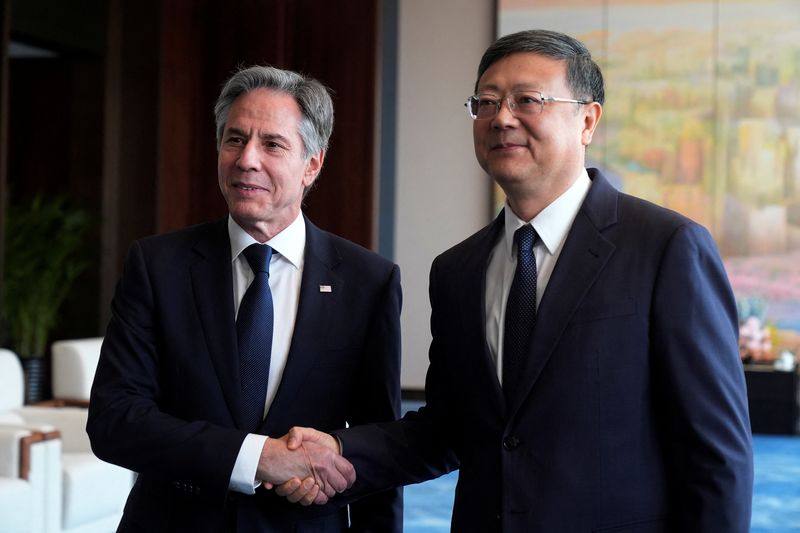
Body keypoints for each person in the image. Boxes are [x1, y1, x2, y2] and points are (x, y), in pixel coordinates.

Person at [282, 29, 754, 532]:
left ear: (588, 120)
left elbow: (717, 455)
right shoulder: (457, 270)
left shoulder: (667, 247)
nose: (502, 118)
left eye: (529, 100)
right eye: (486, 102)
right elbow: (449, 430)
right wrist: (337, 449)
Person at [87, 65, 403, 532]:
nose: (246, 159)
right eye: (234, 139)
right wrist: (258, 458)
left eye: (272, 144)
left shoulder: (368, 281)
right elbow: (115, 421)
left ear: (312, 164)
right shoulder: (158, 266)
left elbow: (381, 446)